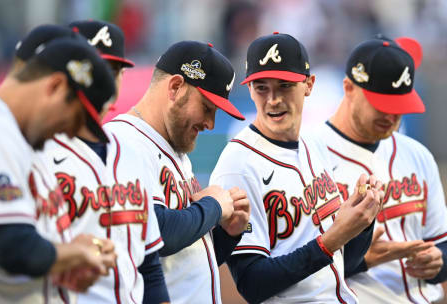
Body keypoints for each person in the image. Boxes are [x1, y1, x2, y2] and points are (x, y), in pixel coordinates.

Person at [210, 32, 384, 303]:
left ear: (309, 85)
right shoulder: (238, 166)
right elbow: (252, 284)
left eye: (284, 86)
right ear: (249, 89)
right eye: (261, 87)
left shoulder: (313, 146)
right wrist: (332, 239)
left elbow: (341, 264)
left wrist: (361, 222)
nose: (273, 99)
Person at [0, 37, 118, 303]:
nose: (70, 133)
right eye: (75, 119)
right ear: (55, 86)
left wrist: (66, 257)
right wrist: (75, 254)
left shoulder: (18, 137)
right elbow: (14, 247)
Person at [104, 40, 250, 303]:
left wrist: (227, 234)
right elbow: (155, 233)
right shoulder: (123, 141)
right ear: (175, 87)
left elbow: (186, 260)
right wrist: (213, 207)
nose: (210, 123)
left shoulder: (176, 150)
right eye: (207, 108)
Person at [34, 19, 169, 304]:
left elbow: (149, 266)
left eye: (112, 71)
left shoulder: (132, 151)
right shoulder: (37, 155)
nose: (102, 81)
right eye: (91, 68)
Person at [308, 37, 447, 303]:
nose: (392, 117)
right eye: (383, 106)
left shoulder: (417, 155)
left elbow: (442, 241)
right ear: (349, 88)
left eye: (400, 108)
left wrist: (438, 262)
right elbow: (293, 270)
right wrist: (358, 261)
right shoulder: (310, 158)